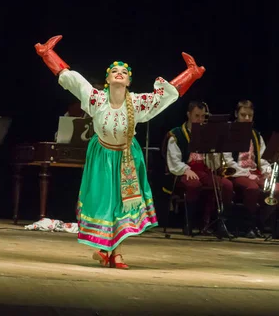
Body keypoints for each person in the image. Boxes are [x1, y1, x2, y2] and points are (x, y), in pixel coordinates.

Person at [35, 34, 205, 269]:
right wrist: (48, 55)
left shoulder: (136, 103)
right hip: (102, 156)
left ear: (128, 82)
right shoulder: (95, 98)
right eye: (114, 71)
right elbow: (70, 79)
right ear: (107, 79)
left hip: (127, 157)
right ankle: (106, 250)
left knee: (122, 204)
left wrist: (190, 75)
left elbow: (165, 96)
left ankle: (117, 253)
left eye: (124, 73)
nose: (119, 73)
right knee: (105, 203)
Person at [164, 101, 234, 237]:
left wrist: (215, 151)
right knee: (193, 184)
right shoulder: (176, 134)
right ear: (188, 115)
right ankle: (189, 223)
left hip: (204, 171)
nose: (200, 120)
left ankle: (214, 223)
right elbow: (174, 160)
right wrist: (186, 170)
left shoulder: (207, 134)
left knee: (226, 185)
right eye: (197, 116)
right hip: (184, 171)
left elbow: (212, 164)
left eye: (203, 116)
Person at [223, 100, 279, 238]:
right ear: (236, 114)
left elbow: (262, 159)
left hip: (255, 173)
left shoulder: (256, 135)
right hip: (236, 173)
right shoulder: (228, 132)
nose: (246, 119)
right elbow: (228, 161)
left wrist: (268, 172)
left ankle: (259, 222)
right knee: (252, 188)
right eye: (243, 115)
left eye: (249, 116)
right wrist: (246, 173)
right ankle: (248, 226)